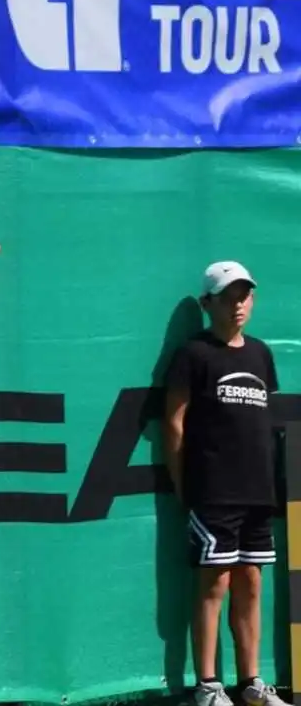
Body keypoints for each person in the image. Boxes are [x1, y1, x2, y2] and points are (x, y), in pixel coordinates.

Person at [162, 262, 288, 706]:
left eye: (244, 296)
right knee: (213, 584)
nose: (238, 305)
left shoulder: (261, 354)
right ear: (206, 303)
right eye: (228, 297)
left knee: (251, 583)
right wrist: (183, 484)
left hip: (258, 494)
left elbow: (263, 425)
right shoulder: (193, 354)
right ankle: (208, 686)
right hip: (213, 492)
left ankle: (252, 683)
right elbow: (174, 422)